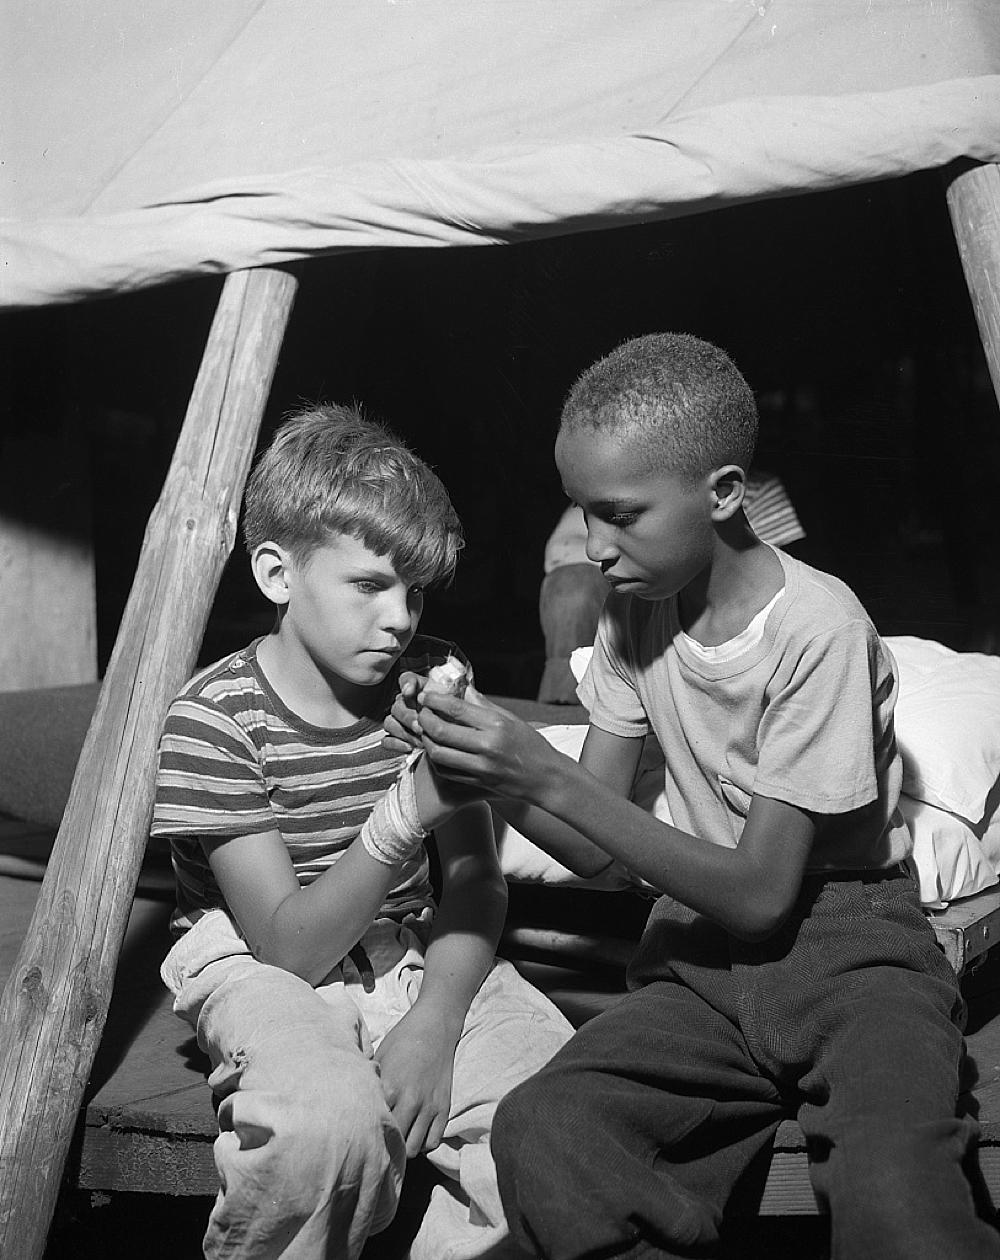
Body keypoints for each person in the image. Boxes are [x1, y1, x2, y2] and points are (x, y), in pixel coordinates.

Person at [386, 334, 1000, 1259]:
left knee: (897, 1184)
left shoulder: (818, 629)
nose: (595, 547)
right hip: (694, 963)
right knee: (544, 1127)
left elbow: (762, 895)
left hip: (852, 952)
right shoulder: (635, 611)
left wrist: (538, 769)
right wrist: (487, 769)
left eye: (621, 515)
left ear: (722, 494)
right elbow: (596, 844)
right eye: (583, 514)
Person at [151, 405, 573, 1260]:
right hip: (259, 961)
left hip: (417, 951)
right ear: (277, 574)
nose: (400, 618)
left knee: (558, 1124)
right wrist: (406, 809)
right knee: (323, 1132)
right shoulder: (215, 720)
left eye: (414, 591)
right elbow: (287, 951)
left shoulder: (423, 687)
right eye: (369, 585)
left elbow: (477, 882)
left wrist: (437, 1021)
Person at [537, 475, 805, 704]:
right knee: (572, 585)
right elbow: (559, 552)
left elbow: (761, 569)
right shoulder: (612, 486)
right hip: (643, 594)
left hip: (715, 605)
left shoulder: (763, 490)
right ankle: (563, 703)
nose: (595, 550)